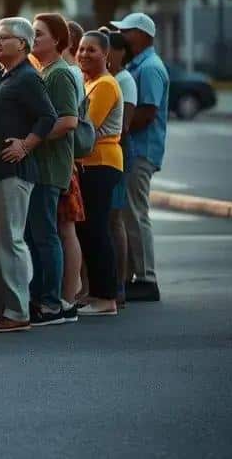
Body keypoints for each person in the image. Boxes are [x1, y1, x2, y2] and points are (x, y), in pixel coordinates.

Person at [0, 17, 58, 333]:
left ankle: (17, 311)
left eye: (3, 38)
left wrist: (26, 145)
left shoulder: (28, 77)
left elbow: (49, 117)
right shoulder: (3, 75)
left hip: (15, 172)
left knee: (9, 240)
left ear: (22, 45)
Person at [25, 14, 79, 327]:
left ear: (57, 40)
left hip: (50, 167)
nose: (33, 39)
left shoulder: (59, 74)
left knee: (45, 235)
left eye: (39, 34)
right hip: (39, 167)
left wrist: (31, 141)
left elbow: (68, 121)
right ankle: (40, 295)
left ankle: (52, 303)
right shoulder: (42, 71)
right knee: (35, 234)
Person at [115, 12, 168, 302]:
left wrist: (116, 125)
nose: (122, 34)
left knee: (135, 213)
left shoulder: (149, 68)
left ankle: (147, 278)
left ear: (144, 35)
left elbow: (147, 112)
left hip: (141, 150)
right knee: (128, 213)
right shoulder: (138, 64)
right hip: (135, 149)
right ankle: (136, 274)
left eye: (127, 30)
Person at [75, 30, 125, 316]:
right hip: (90, 164)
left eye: (91, 50)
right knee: (88, 230)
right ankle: (94, 292)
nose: (83, 54)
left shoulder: (105, 85)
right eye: (81, 49)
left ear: (106, 55)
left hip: (102, 162)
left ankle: (106, 298)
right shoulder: (89, 83)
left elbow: (85, 128)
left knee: (97, 230)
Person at [58, 20, 87, 314]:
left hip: (66, 162)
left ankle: (68, 295)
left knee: (66, 228)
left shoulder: (69, 74)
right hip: (67, 160)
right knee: (63, 229)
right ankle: (67, 293)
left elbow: (68, 120)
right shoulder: (72, 73)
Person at [105, 29, 136, 304]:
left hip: (118, 155)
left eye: (106, 48)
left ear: (120, 52)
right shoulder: (106, 79)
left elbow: (123, 127)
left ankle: (120, 284)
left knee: (115, 218)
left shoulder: (124, 80)